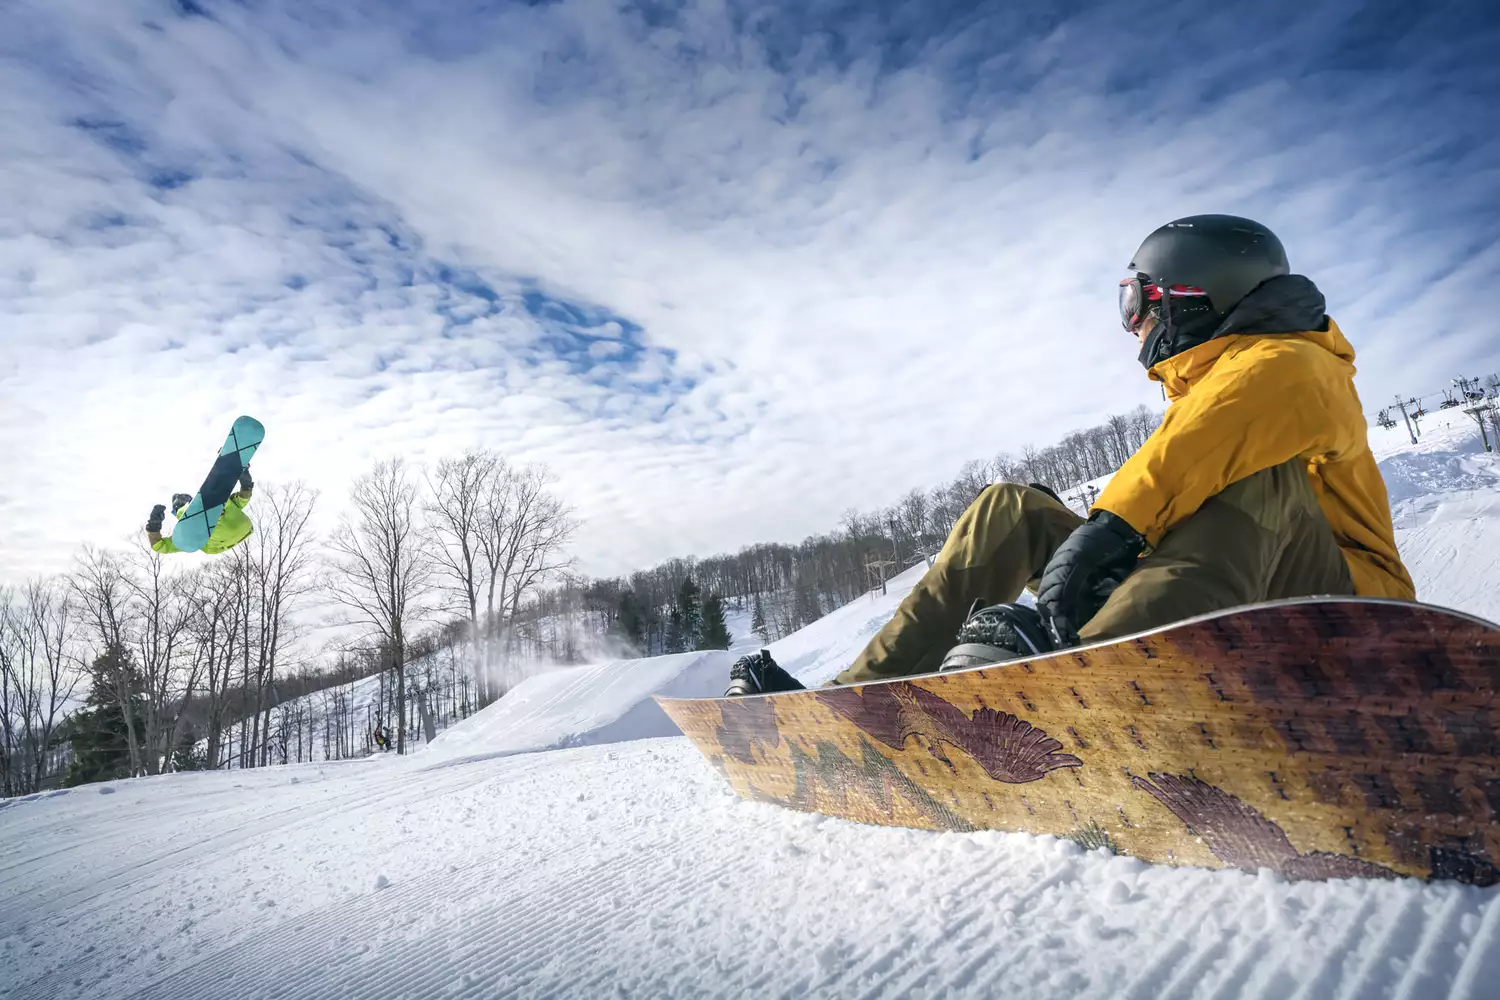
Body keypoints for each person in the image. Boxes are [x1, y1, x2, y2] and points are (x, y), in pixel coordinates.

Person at [727, 214, 1415, 696]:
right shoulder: (1212, 386)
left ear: (1190, 298)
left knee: (1259, 478)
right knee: (1013, 510)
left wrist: (1109, 531)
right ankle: (866, 696)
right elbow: (1188, 454)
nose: (1133, 324)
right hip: (1228, 597)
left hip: (1347, 608)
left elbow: (1201, 447)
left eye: (1137, 302)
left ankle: (1091, 671)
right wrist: (1095, 539)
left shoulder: (1299, 364)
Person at [145, 468, 255, 554]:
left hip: (219, 545)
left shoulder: (185, 531)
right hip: (244, 527)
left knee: (195, 535)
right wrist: (246, 484)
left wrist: (154, 525)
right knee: (223, 504)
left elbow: (159, 547)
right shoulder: (216, 501)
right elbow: (242, 499)